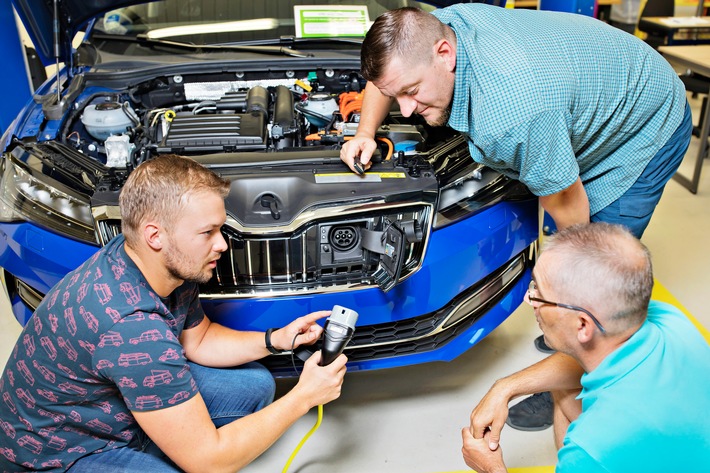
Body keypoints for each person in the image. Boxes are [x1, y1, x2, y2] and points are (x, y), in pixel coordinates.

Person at [340, 4, 692, 430]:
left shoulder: (512, 113)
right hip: (592, 82)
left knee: (598, 275)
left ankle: (573, 382)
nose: (407, 110)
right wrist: (364, 131)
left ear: (445, 53)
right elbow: (388, 76)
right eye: (400, 95)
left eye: (413, 92)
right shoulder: (429, 30)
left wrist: (556, 300)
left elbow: (571, 216)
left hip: (643, 123)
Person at [0, 154, 347, 472]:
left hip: (107, 404)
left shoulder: (155, 260)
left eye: (220, 228)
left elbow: (199, 338)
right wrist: (303, 398)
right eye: (207, 232)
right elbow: (208, 462)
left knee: (256, 386)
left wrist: (275, 340)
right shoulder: (133, 330)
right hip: (58, 451)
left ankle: (164, 431)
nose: (222, 244)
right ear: (155, 235)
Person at [461, 222, 710, 472]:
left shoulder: (591, 449)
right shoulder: (668, 319)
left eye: (539, 293)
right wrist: (505, 389)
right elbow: (583, 356)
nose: (529, 299)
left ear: (582, 324)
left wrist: (491, 468)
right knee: (563, 388)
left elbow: (594, 449)